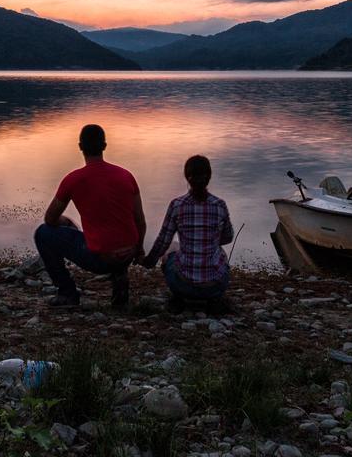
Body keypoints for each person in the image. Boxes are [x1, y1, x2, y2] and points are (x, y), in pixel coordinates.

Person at [34, 124, 147, 309]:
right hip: (128, 253)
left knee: (43, 233)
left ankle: (67, 293)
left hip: (101, 259)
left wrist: (65, 222)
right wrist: (139, 249)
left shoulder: (73, 179)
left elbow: (49, 219)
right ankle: (119, 274)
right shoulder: (126, 176)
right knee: (114, 231)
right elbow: (140, 221)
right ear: (104, 146)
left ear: (80, 146)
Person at [142, 155, 234, 315]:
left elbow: (163, 241)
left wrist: (149, 261)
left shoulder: (177, 205)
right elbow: (228, 237)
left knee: (172, 247)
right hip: (215, 287)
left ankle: (179, 297)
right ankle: (212, 299)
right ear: (209, 177)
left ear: (187, 177)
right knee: (220, 252)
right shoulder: (219, 205)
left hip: (182, 284)